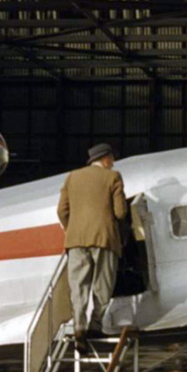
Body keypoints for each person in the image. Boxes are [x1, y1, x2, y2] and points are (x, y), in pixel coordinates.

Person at [57, 142, 128, 346]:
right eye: (112, 159)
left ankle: (79, 328)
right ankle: (96, 326)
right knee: (102, 284)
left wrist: (72, 229)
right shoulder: (113, 177)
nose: (113, 163)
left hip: (76, 240)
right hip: (104, 238)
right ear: (105, 158)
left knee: (79, 286)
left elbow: (62, 211)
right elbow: (120, 212)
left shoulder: (72, 177)